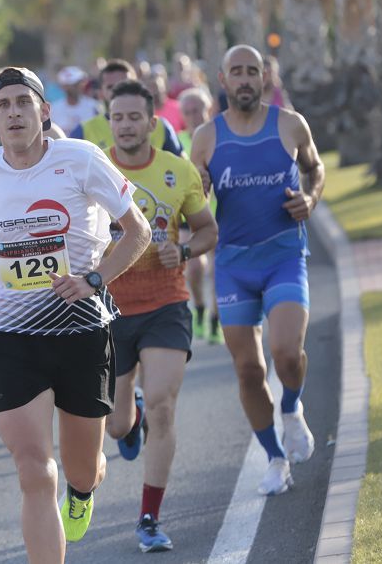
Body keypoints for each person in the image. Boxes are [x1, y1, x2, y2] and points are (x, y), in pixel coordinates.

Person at [0, 67, 151, 563]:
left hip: (82, 329)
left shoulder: (83, 160)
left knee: (80, 469)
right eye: (3, 105)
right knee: (34, 471)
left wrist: (93, 280)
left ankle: (84, 490)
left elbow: (137, 231)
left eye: (24, 103)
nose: (14, 113)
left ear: (44, 112)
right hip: (10, 335)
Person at [189, 45, 325, 496]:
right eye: (237, 72)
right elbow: (196, 205)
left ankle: (292, 408)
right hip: (233, 265)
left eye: (253, 71)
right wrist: (201, 191)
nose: (245, 79)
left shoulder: (289, 124)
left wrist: (311, 199)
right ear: (222, 80)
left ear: (264, 78)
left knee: (287, 353)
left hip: (284, 254)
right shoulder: (206, 138)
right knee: (248, 370)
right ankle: (274, 458)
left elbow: (315, 169)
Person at [102, 80, 217, 553]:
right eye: (118, 117)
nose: (126, 125)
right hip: (107, 308)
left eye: (135, 118)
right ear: (110, 122)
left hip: (166, 303)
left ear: (153, 123)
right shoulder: (93, 169)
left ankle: (149, 518)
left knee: (166, 404)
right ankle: (133, 415)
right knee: (114, 425)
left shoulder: (178, 171)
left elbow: (207, 231)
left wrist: (184, 250)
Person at [177, 86, 220, 342]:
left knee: (218, 270)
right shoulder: (177, 140)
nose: (194, 115)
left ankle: (215, 321)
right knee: (193, 269)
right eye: (188, 111)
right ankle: (200, 308)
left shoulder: (219, 138)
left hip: (220, 212)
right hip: (188, 216)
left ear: (209, 110)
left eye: (198, 110)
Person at [70, 59, 183, 156]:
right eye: (111, 87)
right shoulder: (83, 132)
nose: (119, 91)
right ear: (100, 93)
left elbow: (181, 168)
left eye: (124, 84)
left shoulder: (161, 127)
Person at [49, 65, 101, 135]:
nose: (80, 86)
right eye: (74, 84)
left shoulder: (94, 106)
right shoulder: (53, 109)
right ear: (64, 87)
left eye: (79, 83)